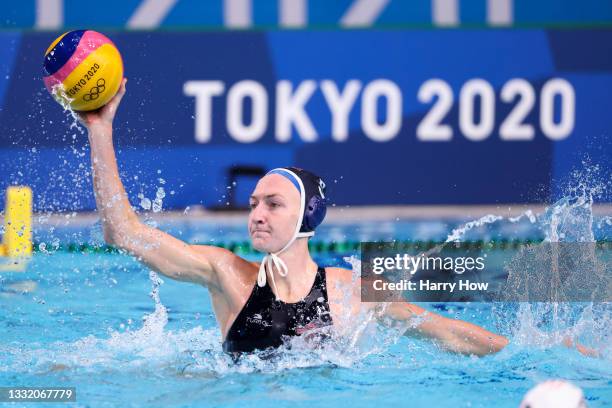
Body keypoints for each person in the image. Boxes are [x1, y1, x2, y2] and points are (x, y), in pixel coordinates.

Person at [78, 78, 511, 357]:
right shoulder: (227, 274)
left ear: (308, 215)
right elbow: (123, 234)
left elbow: (447, 333)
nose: (257, 215)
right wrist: (101, 130)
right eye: (253, 204)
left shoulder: (352, 293)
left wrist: (529, 350)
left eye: (273, 204)